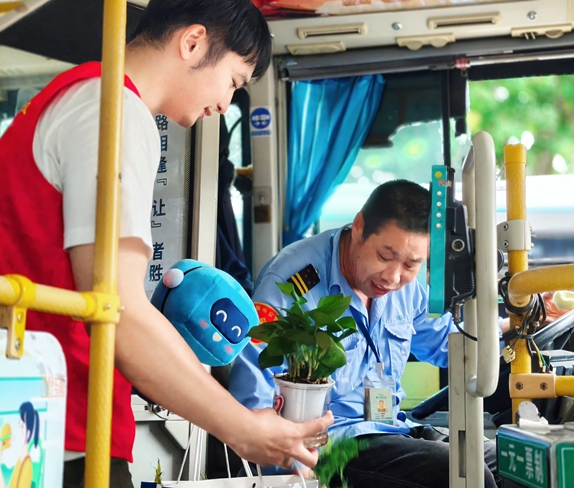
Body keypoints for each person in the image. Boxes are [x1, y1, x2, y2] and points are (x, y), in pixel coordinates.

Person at [0, 0, 332, 485]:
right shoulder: (113, 111)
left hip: (39, 417)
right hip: (60, 426)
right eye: (234, 81)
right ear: (193, 42)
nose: (224, 104)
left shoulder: (73, 97)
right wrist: (241, 428)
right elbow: (119, 310)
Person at [229, 179, 499, 488]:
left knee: (503, 462)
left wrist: (506, 329)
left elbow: (446, 344)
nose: (394, 277)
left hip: (392, 429)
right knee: (460, 474)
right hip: (326, 447)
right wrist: (286, 460)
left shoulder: (405, 289)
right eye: (385, 256)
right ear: (359, 227)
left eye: (412, 264)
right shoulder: (293, 281)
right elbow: (252, 385)